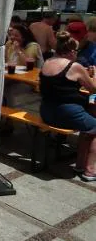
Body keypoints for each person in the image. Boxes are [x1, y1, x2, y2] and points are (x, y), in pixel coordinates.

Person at [39, 32, 96, 181]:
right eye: (76, 51)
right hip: (66, 113)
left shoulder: (47, 61)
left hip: (46, 111)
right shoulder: (74, 66)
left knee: (89, 125)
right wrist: (94, 74)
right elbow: (93, 89)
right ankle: (90, 171)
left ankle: (79, 164)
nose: (77, 53)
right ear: (71, 52)